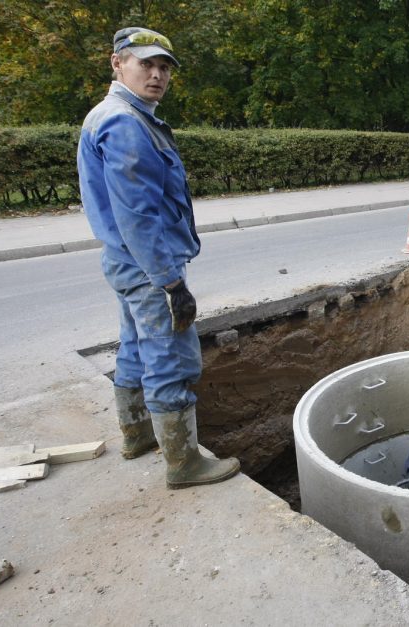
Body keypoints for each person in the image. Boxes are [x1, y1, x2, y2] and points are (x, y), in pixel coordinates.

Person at [77, 27, 239, 489]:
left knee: (133, 347)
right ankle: (184, 463)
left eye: (164, 66)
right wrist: (172, 284)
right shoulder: (126, 123)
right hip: (150, 267)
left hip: (128, 264)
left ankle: (136, 436)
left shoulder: (113, 115)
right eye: (146, 63)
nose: (157, 74)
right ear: (117, 63)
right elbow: (138, 215)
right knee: (171, 357)